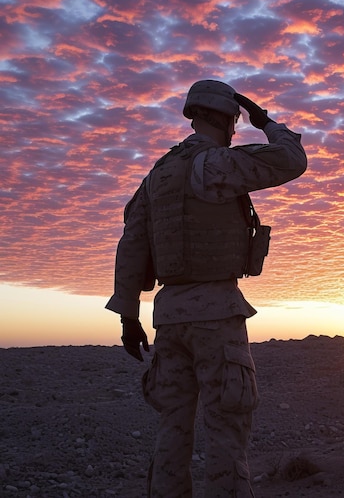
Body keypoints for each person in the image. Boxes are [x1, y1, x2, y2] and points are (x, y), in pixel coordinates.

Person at [105, 79, 307, 497]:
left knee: (172, 431)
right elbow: (291, 160)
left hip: (170, 318)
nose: (236, 128)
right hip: (216, 314)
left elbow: (132, 244)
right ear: (226, 118)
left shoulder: (158, 174)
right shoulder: (214, 164)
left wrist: (129, 316)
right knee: (227, 432)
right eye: (235, 120)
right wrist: (267, 122)